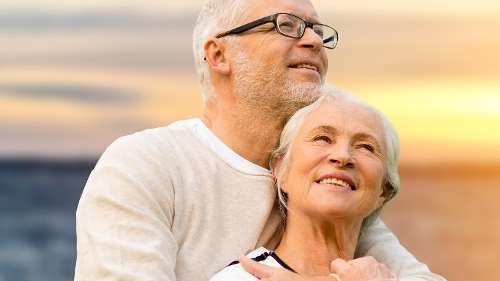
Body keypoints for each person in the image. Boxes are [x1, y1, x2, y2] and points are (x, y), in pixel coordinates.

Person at [75, 0, 446, 280]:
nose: (314, 40)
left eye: (318, 30)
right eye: (287, 25)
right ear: (219, 55)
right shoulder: (146, 166)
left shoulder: (319, 184)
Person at [210, 88, 404, 281]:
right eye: (323, 138)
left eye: (365, 147)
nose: (343, 156)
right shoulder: (244, 276)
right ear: (281, 169)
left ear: (384, 191)